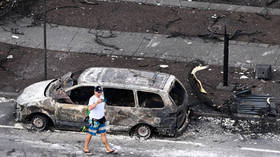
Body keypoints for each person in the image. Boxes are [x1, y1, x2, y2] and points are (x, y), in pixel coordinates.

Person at [83, 86, 116, 155]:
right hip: (94, 120)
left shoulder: (102, 98)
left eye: (100, 92)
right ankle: (85, 148)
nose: (99, 93)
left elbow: (102, 108)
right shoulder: (92, 99)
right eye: (98, 92)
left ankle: (107, 148)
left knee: (103, 134)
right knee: (90, 133)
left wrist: (104, 115)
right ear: (95, 91)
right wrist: (96, 103)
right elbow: (89, 108)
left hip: (101, 119)